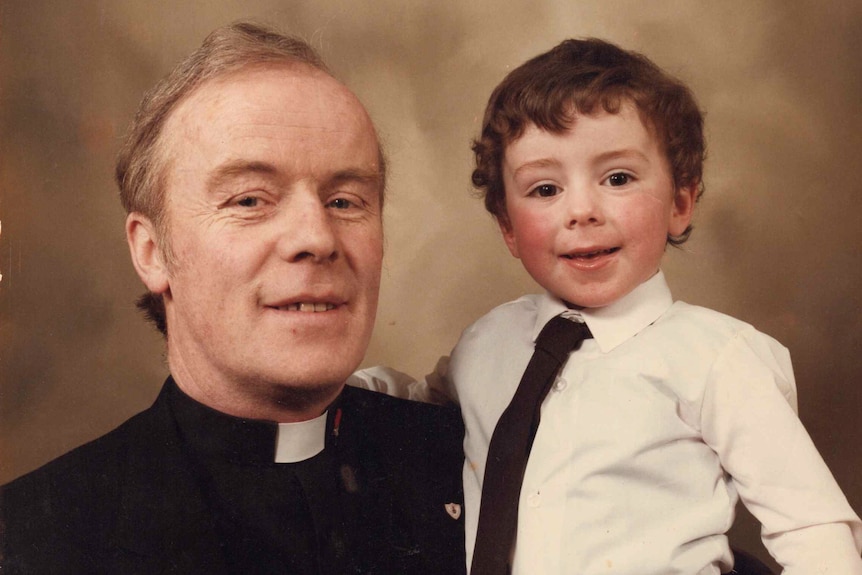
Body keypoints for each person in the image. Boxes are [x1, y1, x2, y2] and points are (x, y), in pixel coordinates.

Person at [354, 38, 862, 574]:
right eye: (545, 189)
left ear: (681, 203)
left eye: (617, 178)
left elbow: (813, 528)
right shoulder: (488, 341)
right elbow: (416, 407)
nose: (581, 210)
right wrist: (325, 385)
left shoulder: (718, 359)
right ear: (508, 227)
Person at [0, 22, 466, 575]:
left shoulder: (476, 460)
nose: (316, 238)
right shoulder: (33, 537)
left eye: (345, 200)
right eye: (249, 200)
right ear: (151, 252)